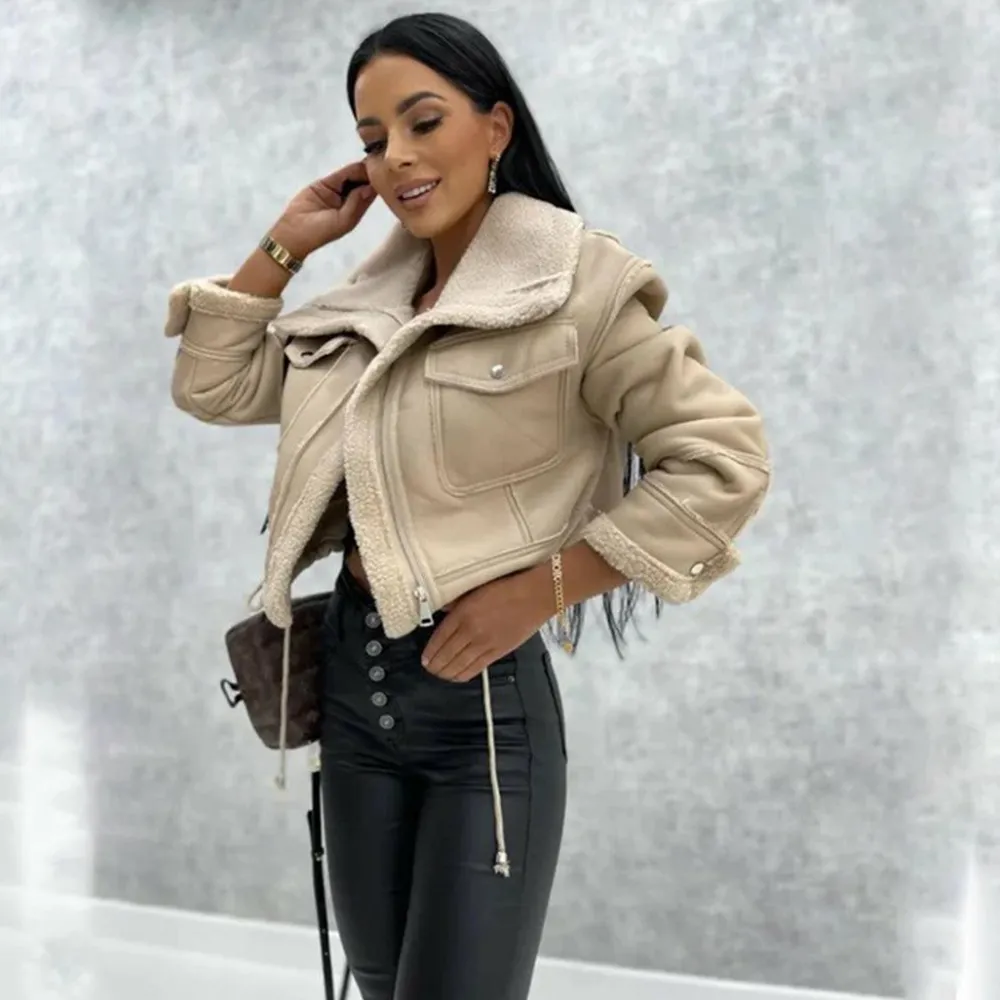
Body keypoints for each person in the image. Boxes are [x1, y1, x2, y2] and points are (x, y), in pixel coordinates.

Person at [163, 12, 770, 1000]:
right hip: (353, 706)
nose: (396, 157)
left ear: (496, 127)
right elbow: (214, 385)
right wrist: (285, 243)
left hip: (482, 722)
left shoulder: (578, 289)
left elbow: (722, 459)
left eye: (423, 121)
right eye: (373, 140)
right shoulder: (362, 311)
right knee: (379, 984)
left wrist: (544, 589)